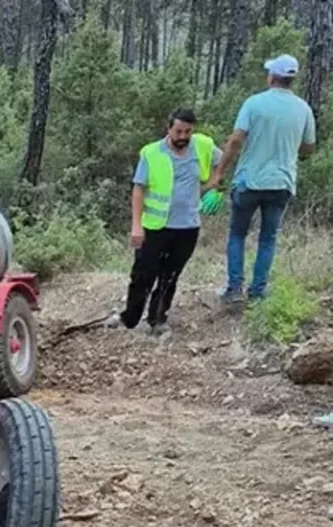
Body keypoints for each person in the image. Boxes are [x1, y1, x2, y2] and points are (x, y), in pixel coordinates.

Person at [204, 54, 316, 304]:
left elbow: (235, 141)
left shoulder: (253, 104)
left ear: (273, 77)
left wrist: (220, 172)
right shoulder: (303, 109)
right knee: (268, 238)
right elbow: (309, 147)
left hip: (249, 181)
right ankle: (257, 292)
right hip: (282, 183)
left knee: (237, 234)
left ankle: (234, 290)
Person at [107, 107, 221, 336]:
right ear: (169, 129)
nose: (183, 136)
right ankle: (129, 318)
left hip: (188, 227)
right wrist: (136, 226)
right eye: (178, 131)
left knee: (170, 276)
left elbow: (224, 157)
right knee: (142, 274)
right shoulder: (151, 153)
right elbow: (138, 189)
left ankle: (158, 319)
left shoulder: (202, 145)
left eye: (188, 131)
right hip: (155, 226)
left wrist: (216, 183)